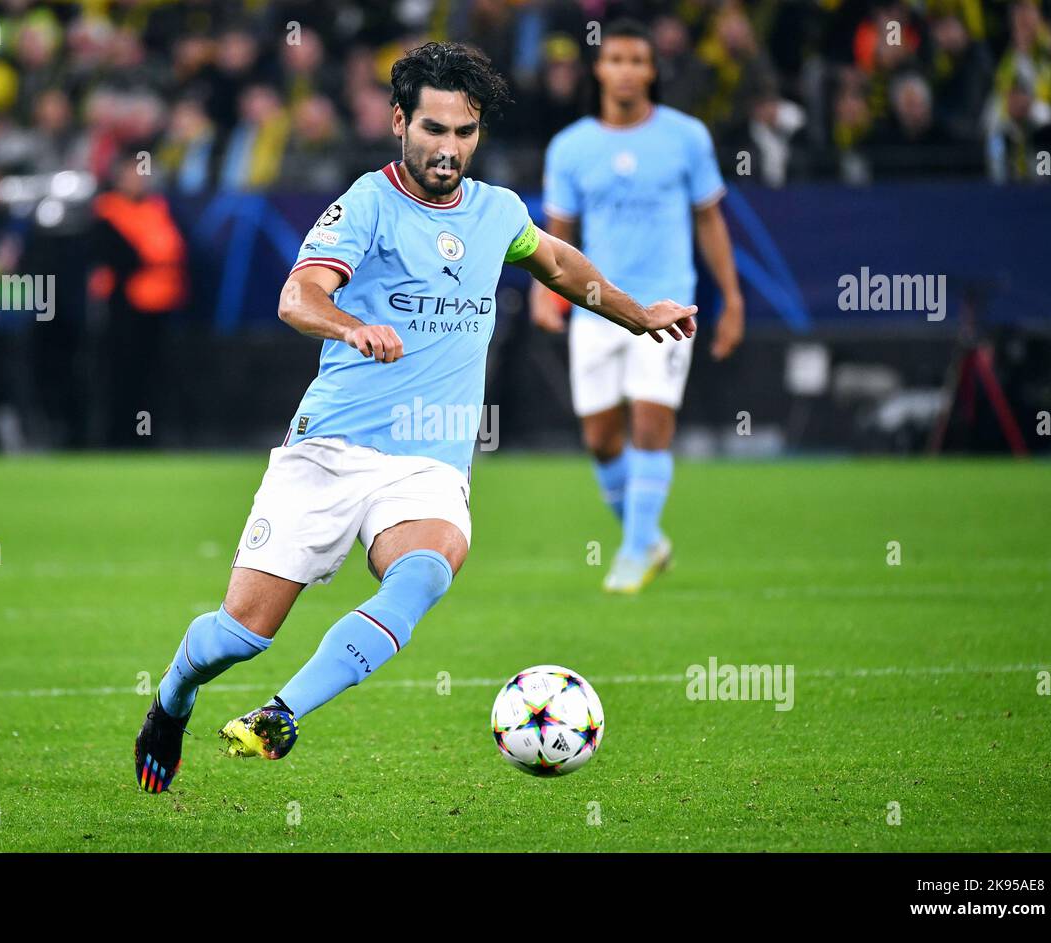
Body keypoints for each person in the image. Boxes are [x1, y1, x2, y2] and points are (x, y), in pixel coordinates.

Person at [134, 42, 696, 792]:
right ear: (400, 120)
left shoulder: (498, 213)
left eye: (464, 133)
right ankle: (173, 698)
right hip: (331, 449)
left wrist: (637, 315)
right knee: (239, 634)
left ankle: (282, 714)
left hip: (428, 460)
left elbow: (561, 266)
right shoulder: (366, 202)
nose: (448, 149)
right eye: (433, 129)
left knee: (427, 569)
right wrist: (348, 327)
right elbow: (297, 296)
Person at [530, 19, 744, 594]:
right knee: (601, 439)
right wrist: (545, 291)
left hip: (669, 305)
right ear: (599, 69)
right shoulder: (571, 146)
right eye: (615, 59)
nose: (625, 70)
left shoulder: (686, 137)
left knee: (651, 426)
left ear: (651, 70)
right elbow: (559, 231)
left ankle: (630, 555)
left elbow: (709, 219)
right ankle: (646, 537)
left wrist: (732, 298)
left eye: (636, 60)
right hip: (597, 306)